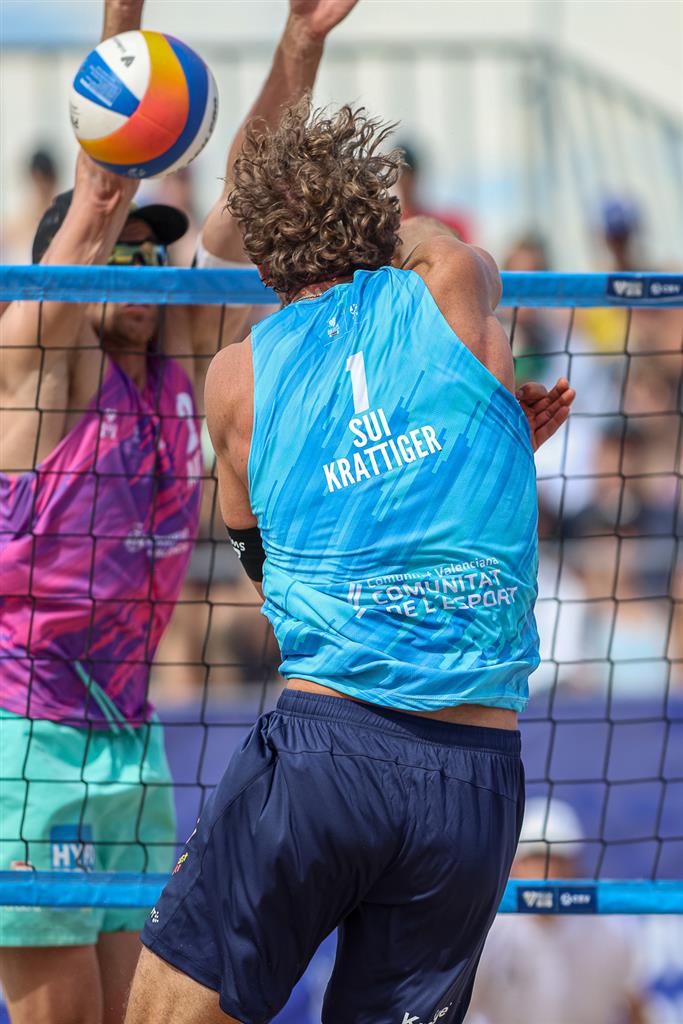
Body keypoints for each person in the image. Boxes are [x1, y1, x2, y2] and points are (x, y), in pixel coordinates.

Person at [125, 92, 576, 1022]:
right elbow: (436, 248)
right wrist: (472, 456)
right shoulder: (449, 282)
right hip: (472, 772)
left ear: (262, 257)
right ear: (376, 211)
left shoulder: (237, 378)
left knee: (167, 1009)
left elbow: (262, 560)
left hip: (328, 749)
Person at [0, 0, 357, 1020]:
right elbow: (100, 195)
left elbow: (241, 211)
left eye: (155, 255)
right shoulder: (42, 366)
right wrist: (123, 31)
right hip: (24, 737)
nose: (145, 267)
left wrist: (301, 42)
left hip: (128, 731)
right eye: (120, 253)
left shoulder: (174, 363)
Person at [466, 798, 652, 1024]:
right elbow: (458, 1010)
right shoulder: (488, 932)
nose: (549, 870)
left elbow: (637, 1004)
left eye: (559, 859)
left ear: (575, 864)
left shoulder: (610, 928)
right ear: (515, 863)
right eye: (538, 857)